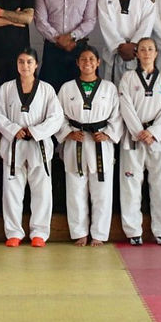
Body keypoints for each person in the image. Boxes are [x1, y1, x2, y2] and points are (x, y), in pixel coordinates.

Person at [0, 48, 64, 247]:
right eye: (21, 62)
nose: (25, 66)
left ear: (36, 65)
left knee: (42, 191)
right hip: (14, 145)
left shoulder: (47, 89)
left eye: (29, 62)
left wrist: (35, 131)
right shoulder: (6, 88)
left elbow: (56, 117)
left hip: (38, 145)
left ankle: (39, 233)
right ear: (17, 65)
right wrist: (13, 129)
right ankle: (13, 232)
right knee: (11, 192)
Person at [57, 47, 122, 247]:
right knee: (75, 191)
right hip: (75, 141)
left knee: (102, 192)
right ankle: (80, 233)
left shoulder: (109, 88)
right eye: (83, 59)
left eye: (92, 59)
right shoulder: (67, 88)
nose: (88, 63)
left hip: (100, 142)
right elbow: (57, 115)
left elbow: (117, 116)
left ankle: (99, 234)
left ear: (98, 62)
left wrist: (108, 133)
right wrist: (68, 132)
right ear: (77, 63)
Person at [117, 38, 161, 245]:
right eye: (142, 49)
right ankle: (133, 231)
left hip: (158, 138)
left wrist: (153, 132)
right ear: (137, 53)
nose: (147, 53)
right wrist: (139, 131)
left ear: (156, 53)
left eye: (150, 49)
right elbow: (125, 105)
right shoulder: (128, 77)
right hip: (134, 137)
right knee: (131, 185)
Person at [34, 0, 97, 90]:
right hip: (53, 49)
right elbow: (40, 21)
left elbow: (90, 21)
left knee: (79, 91)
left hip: (78, 48)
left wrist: (71, 36)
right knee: (51, 91)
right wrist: (58, 39)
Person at [98, 0, 157, 83]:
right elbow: (104, 21)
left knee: (137, 89)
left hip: (137, 53)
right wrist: (119, 45)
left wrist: (135, 45)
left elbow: (148, 20)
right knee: (112, 90)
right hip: (114, 51)